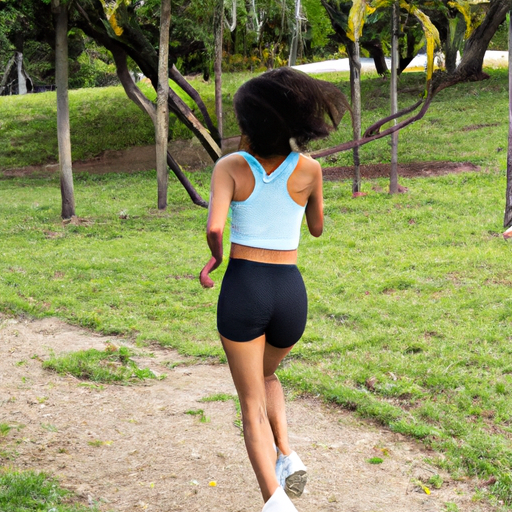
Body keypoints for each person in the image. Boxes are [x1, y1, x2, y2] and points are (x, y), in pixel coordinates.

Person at [200, 67, 344, 511]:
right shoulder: (311, 169)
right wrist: (300, 192)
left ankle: (275, 501)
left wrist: (216, 259)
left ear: (248, 125)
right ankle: (287, 453)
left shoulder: (229, 167)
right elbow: (317, 229)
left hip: (245, 288)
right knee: (266, 376)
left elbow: (214, 227)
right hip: (290, 295)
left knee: (250, 405)